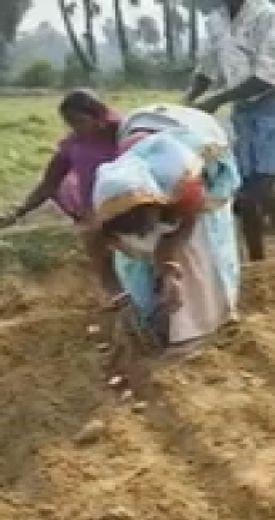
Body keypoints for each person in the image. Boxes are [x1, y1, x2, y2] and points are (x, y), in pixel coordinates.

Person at [92, 106, 241, 363]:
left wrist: (170, 271)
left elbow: (180, 230)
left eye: (148, 226)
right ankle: (149, 313)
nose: (146, 235)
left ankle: (197, 327)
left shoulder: (184, 181)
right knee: (134, 264)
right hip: (142, 128)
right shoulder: (108, 202)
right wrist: (120, 295)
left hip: (194, 135)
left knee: (198, 250)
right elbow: (101, 251)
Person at [185, 0, 275, 261]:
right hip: (242, 109)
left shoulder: (268, 16)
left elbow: (267, 75)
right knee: (244, 188)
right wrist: (186, 102)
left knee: (262, 185)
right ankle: (257, 260)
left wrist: (216, 100)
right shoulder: (216, 21)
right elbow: (207, 69)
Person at [0, 89, 119, 227]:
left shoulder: (121, 134)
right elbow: (49, 183)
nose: (76, 128)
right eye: (70, 123)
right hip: (92, 208)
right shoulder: (73, 145)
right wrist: (18, 213)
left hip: (128, 202)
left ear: (98, 115)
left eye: (80, 121)